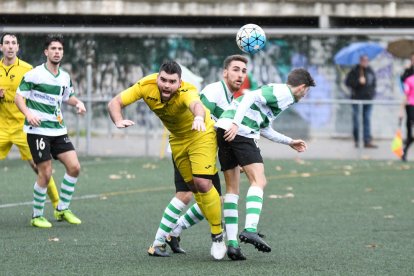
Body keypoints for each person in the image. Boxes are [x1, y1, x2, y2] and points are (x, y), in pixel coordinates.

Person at [107, 60, 225, 260]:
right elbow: (115, 103)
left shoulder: (188, 91)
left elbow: (196, 105)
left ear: (179, 83)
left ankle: (217, 234)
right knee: (193, 191)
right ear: (157, 77)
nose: (166, 85)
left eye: (172, 81)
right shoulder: (146, 85)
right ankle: (171, 234)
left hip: (200, 134)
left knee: (203, 184)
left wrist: (198, 117)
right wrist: (118, 120)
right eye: (163, 80)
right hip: (177, 141)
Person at [215, 68, 315, 255]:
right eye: (307, 91)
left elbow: (264, 127)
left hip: (224, 130)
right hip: (239, 131)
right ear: (302, 87)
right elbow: (249, 97)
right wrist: (236, 123)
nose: (305, 95)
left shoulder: (278, 97)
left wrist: (289, 141)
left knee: (232, 190)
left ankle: (233, 245)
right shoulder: (283, 93)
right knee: (259, 181)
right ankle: (250, 230)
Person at [166, 55, 250, 260]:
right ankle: (160, 240)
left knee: (213, 200)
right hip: (188, 149)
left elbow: (217, 133)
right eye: (235, 69)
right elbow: (200, 119)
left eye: (243, 71)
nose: (239, 75)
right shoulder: (214, 91)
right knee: (186, 195)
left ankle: (173, 233)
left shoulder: (232, 99)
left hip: (202, 154)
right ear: (225, 72)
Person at [14, 34, 86, 228]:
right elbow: (19, 97)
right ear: (46, 52)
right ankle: (36, 215)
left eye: (60, 49)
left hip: (58, 129)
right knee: (45, 173)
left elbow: (67, 97)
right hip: (38, 130)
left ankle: (62, 209)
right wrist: (29, 114)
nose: (57, 52)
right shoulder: (34, 74)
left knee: (75, 167)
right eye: (53, 49)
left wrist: (78, 102)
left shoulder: (64, 77)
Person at [0, 33, 59, 210]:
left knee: (40, 167)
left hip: (23, 128)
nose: (10, 46)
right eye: (7, 43)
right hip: (1, 127)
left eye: (13, 43)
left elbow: (38, 95)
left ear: (18, 47)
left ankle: (58, 205)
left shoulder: (27, 69)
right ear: (1, 47)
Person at [345, 55, 377, 148]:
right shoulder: (354, 71)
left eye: (366, 60)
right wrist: (358, 82)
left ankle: (367, 140)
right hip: (357, 99)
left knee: (366, 119)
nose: (365, 62)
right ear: (360, 61)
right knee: (356, 120)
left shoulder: (370, 70)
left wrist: (372, 94)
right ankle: (357, 140)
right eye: (363, 60)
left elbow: (374, 83)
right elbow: (347, 82)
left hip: (368, 100)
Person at [400, 74, 414, 161]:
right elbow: (405, 95)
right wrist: (401, 110)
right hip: (411, 108)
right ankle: (404, 152)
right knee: (410, 135)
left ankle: (404, 151)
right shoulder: (409, 80)